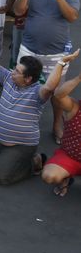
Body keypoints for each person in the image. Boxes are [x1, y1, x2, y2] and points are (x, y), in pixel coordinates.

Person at [0, 22, 74, 185]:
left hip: (21, 145)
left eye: (17, 71)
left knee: (0, 177)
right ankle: (4, 159)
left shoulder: (38, 92)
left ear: (28, 79)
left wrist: (60, 64)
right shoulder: (8, 78)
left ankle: (34, 162)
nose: (12, 72)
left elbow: (50, 86)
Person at [14, 0, 79, 143]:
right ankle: (20, 124)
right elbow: (18, 11)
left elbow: (72, 17)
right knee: (22, 86)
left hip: (56, 54)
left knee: (56, 92)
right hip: (29, 49)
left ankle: (56, 124)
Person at [41, 66, 81, 197]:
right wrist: (79, 78)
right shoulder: (75, 108)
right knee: (49, 176)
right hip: (70, 156)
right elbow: (58, 96)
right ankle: (66, 178)